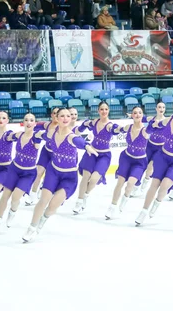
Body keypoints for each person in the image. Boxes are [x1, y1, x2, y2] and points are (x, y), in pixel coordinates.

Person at [23, 109, 97, 242]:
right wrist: (35, 141)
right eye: (62, 116)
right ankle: (31, 227)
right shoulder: (51, 133)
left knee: (52, 206)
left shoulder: (71, 136)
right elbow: (39, 135)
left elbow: (78, 141)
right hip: (53, 172)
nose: (65, 118)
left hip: (69, 178)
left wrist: (87, 146)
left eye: (68, 116)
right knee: (43, 200)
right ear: (56, 118)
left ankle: (42, 221)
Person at [0, 114, 43, 235]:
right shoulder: (19, 135)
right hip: (14, 169)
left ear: (35, 123)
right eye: (26, 120)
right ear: (23, 122)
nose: (29, 122)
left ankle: (12, 212)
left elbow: (41, 136)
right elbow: (7, 135)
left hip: (28, 173)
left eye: (32, 120)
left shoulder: (36, 137)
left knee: (15, 198)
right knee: (5, 196)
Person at [72, 101, 119, 214]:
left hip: (104, 155)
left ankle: (85, 196)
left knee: (93, 179)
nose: (104, 111)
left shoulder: (110, 125)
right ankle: (79, 201)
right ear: (98, 111)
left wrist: (120, 129)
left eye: (106, 109)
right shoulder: (93, 122)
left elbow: (117, 130)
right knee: (85, 177)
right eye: (102, 109)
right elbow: (78, 131)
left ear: (109, 111)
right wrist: (81, 126)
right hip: (91, 152)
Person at [106, 106, 149, 219]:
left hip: (140, 161)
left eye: (140, 113)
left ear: (142, 115)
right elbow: (118, 130)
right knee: (120, 182)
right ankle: (112, 206)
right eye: (135, 113)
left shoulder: (145, 131)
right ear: (132, 115)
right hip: (126, 157)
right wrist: (112, 128)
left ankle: (125, 198)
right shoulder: (128, 127)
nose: (137, 114)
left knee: (130, 183)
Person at [25, 107, 60, 205]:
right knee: (38, 172)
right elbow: (34, 127)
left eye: (58, 113)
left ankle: (43, 188)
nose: (56, 115)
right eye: (54, 113)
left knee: (50, 175)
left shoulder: (62, 127)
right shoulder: (47, 124)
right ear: (51, 115)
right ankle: (32, 194)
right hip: (46, 152)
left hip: (57, 155)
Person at [132, 101, 167, 197]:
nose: (161, 109)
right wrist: (131, 115)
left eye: (163, 107)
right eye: (159, 107)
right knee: (142, 165)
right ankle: (136, 185)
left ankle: (145, 182)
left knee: (150, 167)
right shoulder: (151, 118)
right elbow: (141, 118)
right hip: (149, 146)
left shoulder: (166, 121)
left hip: (160, 148)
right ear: (156, 108)